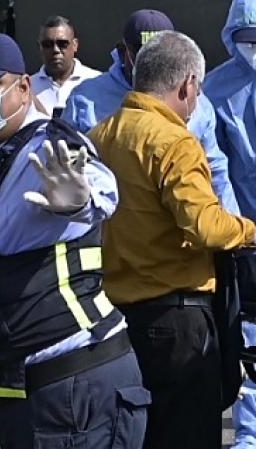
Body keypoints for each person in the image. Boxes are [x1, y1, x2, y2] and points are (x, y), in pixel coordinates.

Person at [0, 33, 146, 449]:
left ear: (23, 88)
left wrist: (78, 203)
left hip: (74, 387)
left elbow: (97, 186)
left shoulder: (45, 148)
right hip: (23, 383)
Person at [90, 30, 256, 449]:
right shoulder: (174, 140)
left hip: (120, 314)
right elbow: (205, 226)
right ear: (188, 85)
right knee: (189, 432)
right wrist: (250, 229)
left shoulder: (103, 133)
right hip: (177, 317)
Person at [62, 9, 239, 213]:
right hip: (115, 228)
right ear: (122, 52)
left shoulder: (197, 101)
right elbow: (70, 169)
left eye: (162, 57)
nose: (153, 65)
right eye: (143, 55)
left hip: (179, 228)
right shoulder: (86, 99)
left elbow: (215, 169)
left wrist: (233, 225)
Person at [203, 0, 256, 449]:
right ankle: (251, 436)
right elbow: (214, 170)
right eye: (249, 37)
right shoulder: (216, 89)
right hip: (247, 238)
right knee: (252, 342)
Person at [30, 15, 100, 117]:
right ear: (39, 47)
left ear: (75, 45)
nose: (55, 50)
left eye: (62, 44)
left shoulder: (95, 81)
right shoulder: (28, 88)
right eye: (48, 44)